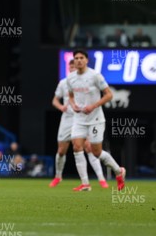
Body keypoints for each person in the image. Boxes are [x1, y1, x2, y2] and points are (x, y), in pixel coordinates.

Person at [67, 49, 126, 192]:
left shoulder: (95, 76)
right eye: (76, 58)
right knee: (76, 146)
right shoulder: (71, 78)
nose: (79, 60)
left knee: (96, 152)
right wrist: (73, 105)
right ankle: (85, 183)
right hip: (79, 119)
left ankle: (119, 171)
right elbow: (70, 95)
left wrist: (93, 106)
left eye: (81, 57)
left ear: (86, 60)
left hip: (96, 119)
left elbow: (109, 95)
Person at [49, 59, 108, 188]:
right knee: (61, 151)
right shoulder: (64, 83)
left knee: (89, 148)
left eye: (74, 67)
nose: (72, 69)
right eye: (70, 67)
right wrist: (61, 107)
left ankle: (101, 178)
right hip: (67, 119)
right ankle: (58, 176)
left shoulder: (86, 80)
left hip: (82, 119)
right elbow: (54, 100)